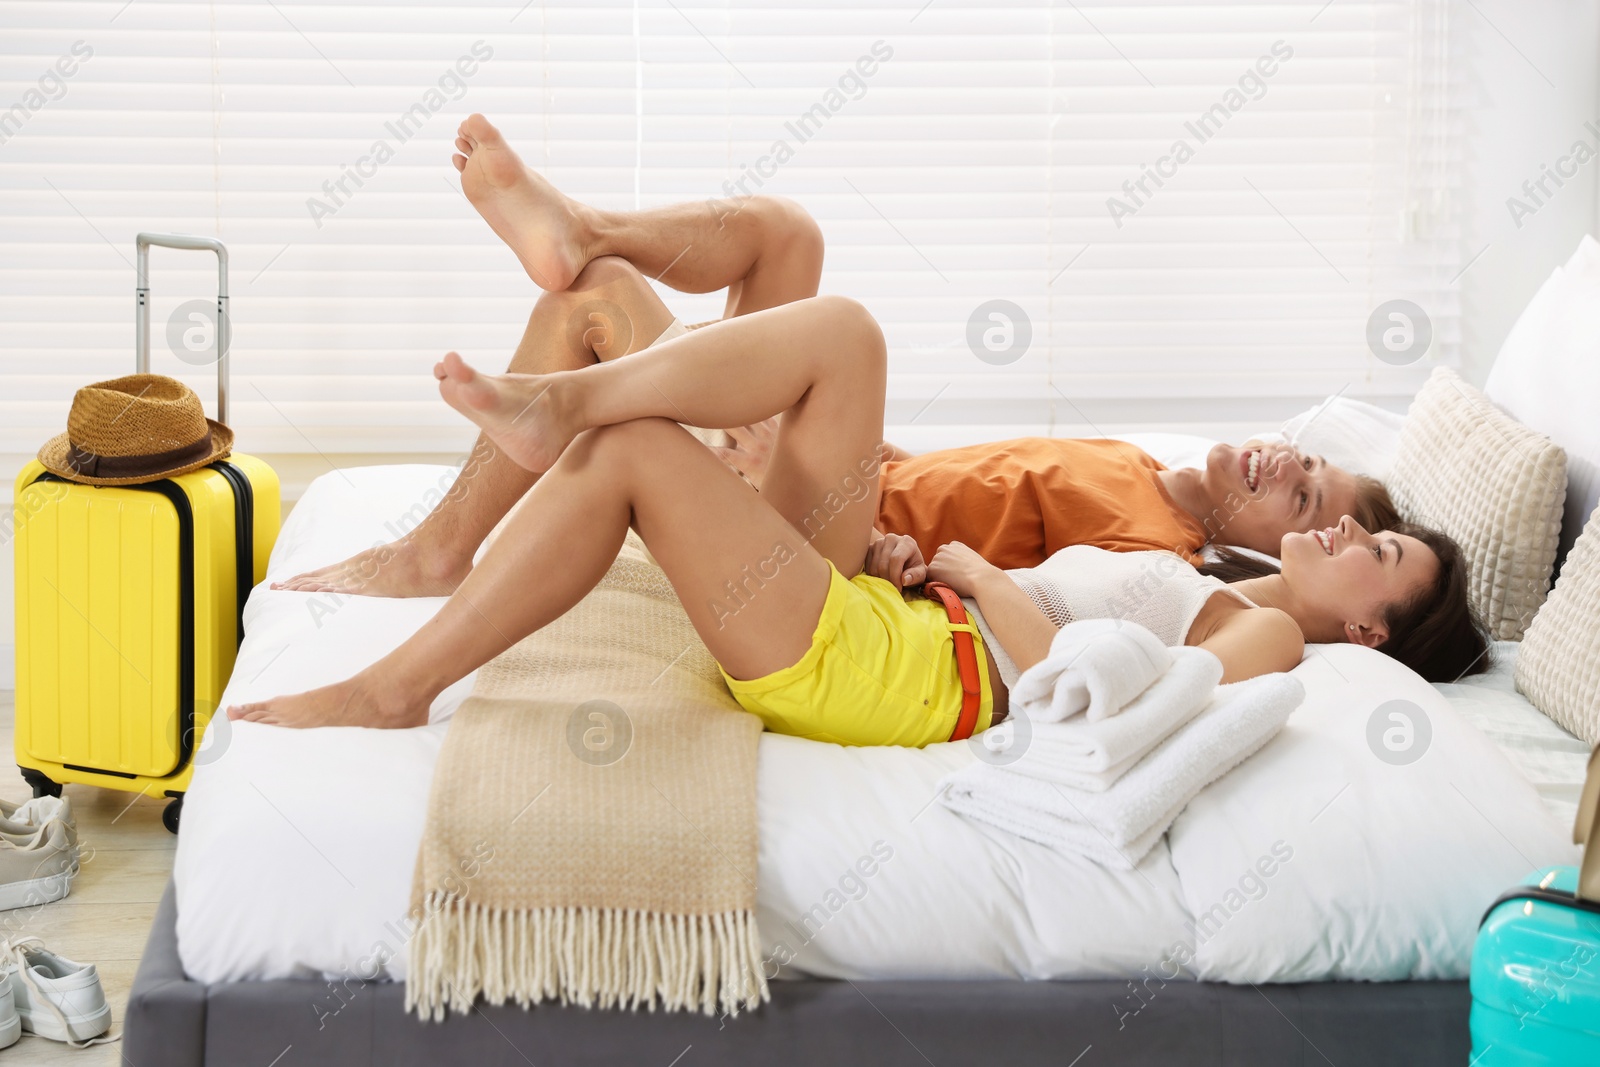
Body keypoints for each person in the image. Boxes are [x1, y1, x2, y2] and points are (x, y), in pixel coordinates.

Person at [228, 289, 1487, 737]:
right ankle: (558, 408)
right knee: (810, 342)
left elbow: (1094, 713)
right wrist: (917, 566)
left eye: (1370, 547)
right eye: (1351, 516)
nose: (1334, 530)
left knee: (645, 443)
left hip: (898, 675)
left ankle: (398, 684)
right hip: (890, 634)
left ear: (1370, 637)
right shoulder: (1204, 566)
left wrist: (973, 584)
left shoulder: (1268, 641)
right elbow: (1065, 632)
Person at [273, 114, 1396, 600]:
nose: (1280, 467)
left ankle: (435, 550)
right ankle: (579, 223)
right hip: (836, 478)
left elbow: (1021, 601)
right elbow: (964, 483)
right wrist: (829, 430)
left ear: (1262, 552)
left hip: (825, 543)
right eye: (1304, 460)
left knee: (597, 310)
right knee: (786, 233)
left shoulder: (1167, 549)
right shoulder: (1143, 464)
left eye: (1300, 498)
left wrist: (882, 547)